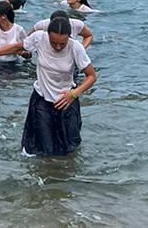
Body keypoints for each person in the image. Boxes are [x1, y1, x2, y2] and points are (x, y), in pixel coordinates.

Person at [20, 14, 96, 157]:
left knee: (70, 147)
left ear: (69, 37)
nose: (58, 46)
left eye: (63, 43)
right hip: (41, 98)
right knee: (43, 147)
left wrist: (73, 94)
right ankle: (44, 174)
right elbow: (16, 48)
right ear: (48, 35)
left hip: (66, 100)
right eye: (54, 42)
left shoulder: (76, 48)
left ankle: (66, 176)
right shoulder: (39, 38)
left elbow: (91, 76)